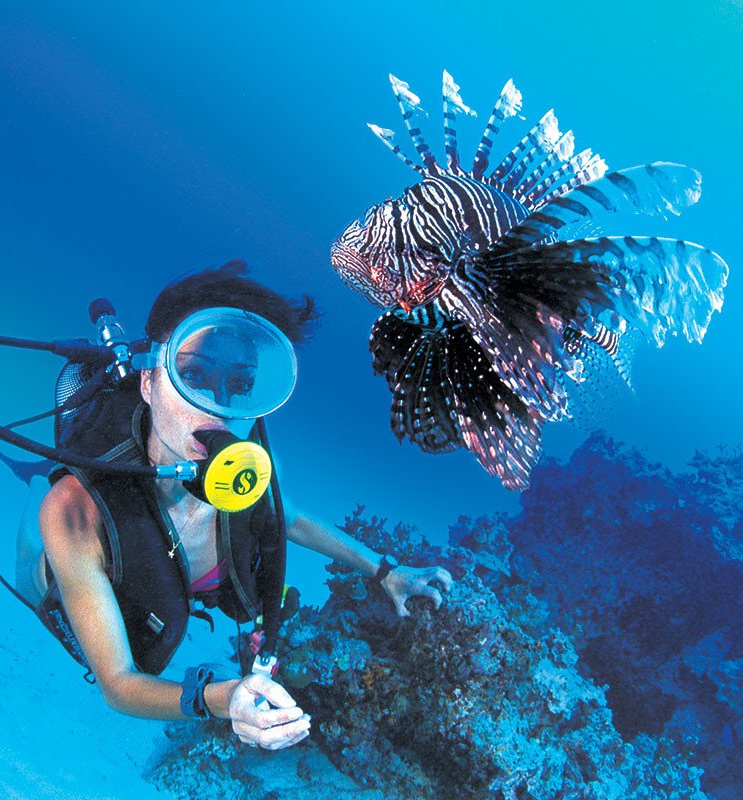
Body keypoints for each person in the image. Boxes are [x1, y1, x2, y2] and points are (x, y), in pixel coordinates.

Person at [25, 261, 453, 750]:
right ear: (149, 382)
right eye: (193, 375)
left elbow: (291, 519)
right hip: (56, 574)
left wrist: (384, 570)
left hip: (167, 585)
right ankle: (31, 478)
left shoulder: (252, 470)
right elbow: (118, 685)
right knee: (34, 548)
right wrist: (222, 699)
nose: (218, 407)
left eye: (241, 385)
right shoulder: (74, 511)